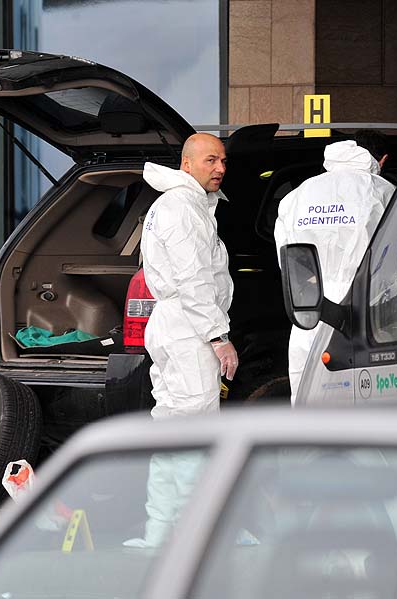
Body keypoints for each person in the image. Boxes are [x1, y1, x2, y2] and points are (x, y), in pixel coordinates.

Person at [123, 133, 237, 548]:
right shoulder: (183, 208)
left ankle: (159, 532)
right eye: (210, 160)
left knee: (170, 429)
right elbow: (194, 280)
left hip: (170, 325)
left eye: (223, 161)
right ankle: (197, 536)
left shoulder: (174, 205)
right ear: (186, 164)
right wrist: (218, 337)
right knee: (195, 429)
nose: (220, 168)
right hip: (188, 329)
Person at [274, 134, 395, 405]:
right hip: (365, 315)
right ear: (381, 160)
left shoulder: (297, 196)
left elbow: (288, 260)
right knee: (363, 406)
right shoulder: (381, 190)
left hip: (308, 313)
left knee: (308, 407)